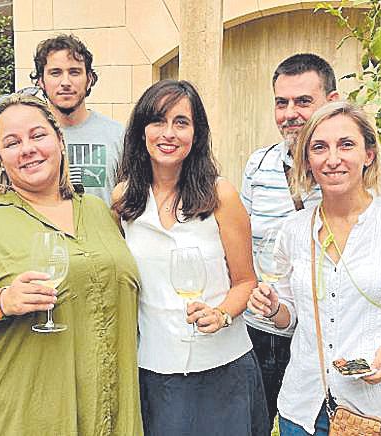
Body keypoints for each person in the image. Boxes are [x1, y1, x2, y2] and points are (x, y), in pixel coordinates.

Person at [0, 93, 143, 435]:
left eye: (38, 135)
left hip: (109, 410)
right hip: (29, 415)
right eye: (12, 142)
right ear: (0, 157)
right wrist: (1, 302)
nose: (27, 148)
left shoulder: (99, 213)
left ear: (59, 140)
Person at [248, 101, 381, 435]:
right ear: (308, 161)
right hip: (306, 407)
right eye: (320, 148)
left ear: (369, 155)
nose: (333, 158)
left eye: (346, 145)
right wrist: (274, 308)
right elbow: (291, 316)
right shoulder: (294, 230)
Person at [239, 53, 381, 429]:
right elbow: (244, 242)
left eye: (302, 101)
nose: (290, 113)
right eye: (281, 103)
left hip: (342, 338)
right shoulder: (258, 165)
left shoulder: (363, 164)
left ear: (332, 102)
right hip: (269, 333)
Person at [113, 79, 269, 435]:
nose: (169, 133)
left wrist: (223, 314)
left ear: (196, 134)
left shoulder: (221, 195)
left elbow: (246, 282)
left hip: (222, 368)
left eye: (181, 122)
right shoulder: (123, 200)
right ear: (141, 131)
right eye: (158, 121)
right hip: (154, 370)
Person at [31, 34, 123, 205]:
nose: (65, 82)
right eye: (55, 73)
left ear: (89, 79)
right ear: (41, 82)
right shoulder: (29, 139)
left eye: (74, 72)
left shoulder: (118, 135)